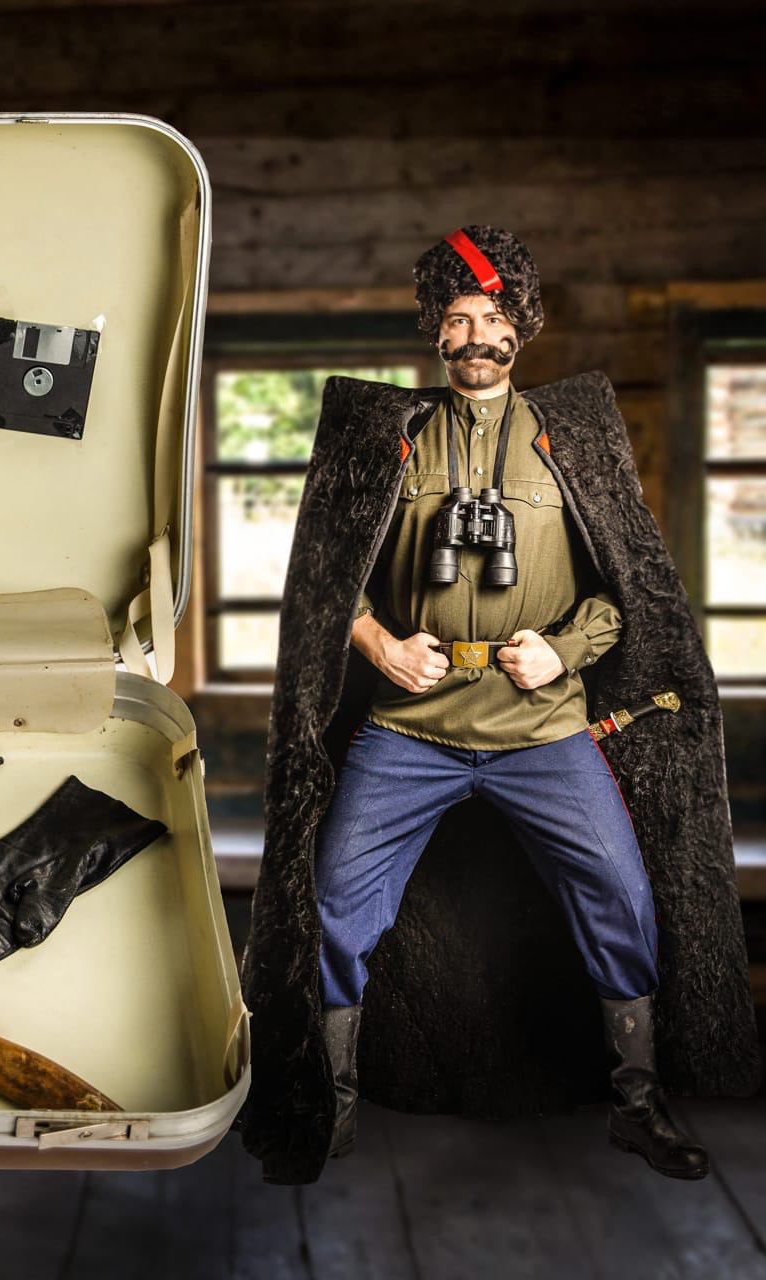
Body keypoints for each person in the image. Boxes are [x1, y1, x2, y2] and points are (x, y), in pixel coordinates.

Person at [239, 225, 757, 1185]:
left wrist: (556, 651)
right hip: (410, 730)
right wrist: (381, 645)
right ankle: (331, 1106)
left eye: (493, 319)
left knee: (623, 899)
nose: (476, 335)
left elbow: (626, 600)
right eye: (458, 318)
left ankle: (638, 1101)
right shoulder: (387, 438)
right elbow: (322, 587)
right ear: (436, 333)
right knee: (338, 906)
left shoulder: (574, 439)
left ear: (523, 328)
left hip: (544, 728)